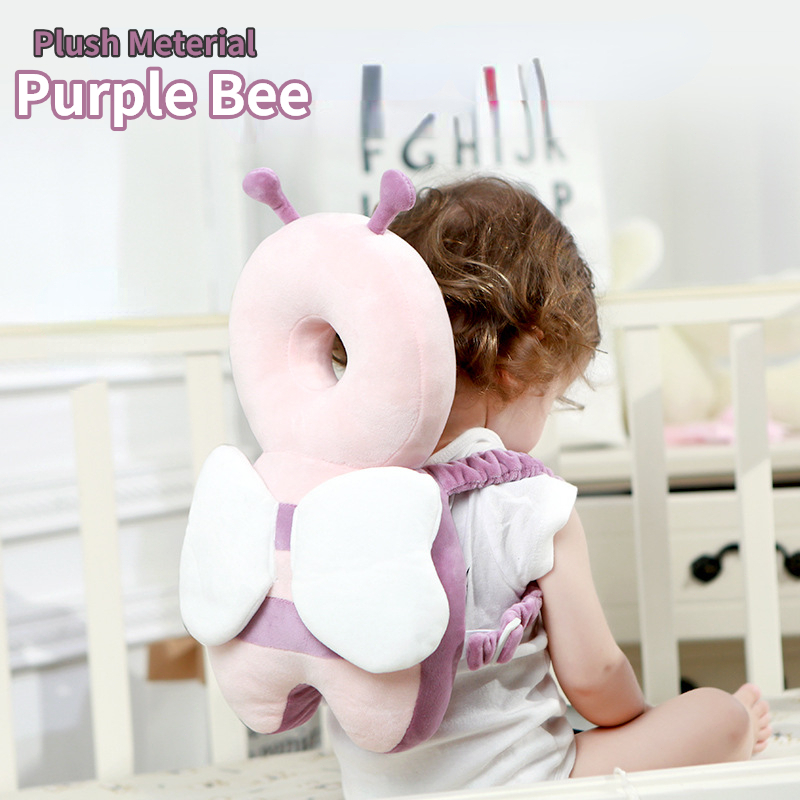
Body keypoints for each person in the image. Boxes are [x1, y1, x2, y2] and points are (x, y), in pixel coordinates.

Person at [328, 175, 772, 798]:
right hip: (526, 782)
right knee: (720, 716)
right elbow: (593, 677)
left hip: (383, 788)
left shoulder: (340, 493)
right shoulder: (526, 502)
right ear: (518, 368)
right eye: (552, 399)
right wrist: (639, 721)